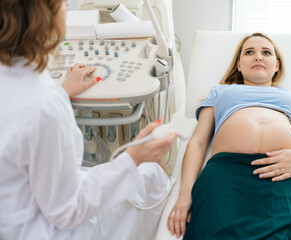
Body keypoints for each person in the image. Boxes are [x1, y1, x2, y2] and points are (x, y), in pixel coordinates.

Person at [0, 0, 176, 239]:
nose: (68, 6)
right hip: (43, 228)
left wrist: (62, 92)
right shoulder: (44, 105)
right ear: (40, 17)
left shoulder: (24, 82)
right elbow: (67, 211)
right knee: (152, 175)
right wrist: (134, 157)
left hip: (19, 205)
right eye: (61, 3)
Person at [167, 32, 291, 239]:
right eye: (249, 52)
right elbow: (198, 142)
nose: (258, 57)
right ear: (239, 65)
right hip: (225, 175)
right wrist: (184, 195)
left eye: (266, 52)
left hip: (281, 174)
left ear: (277, 65)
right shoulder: (220, 92)